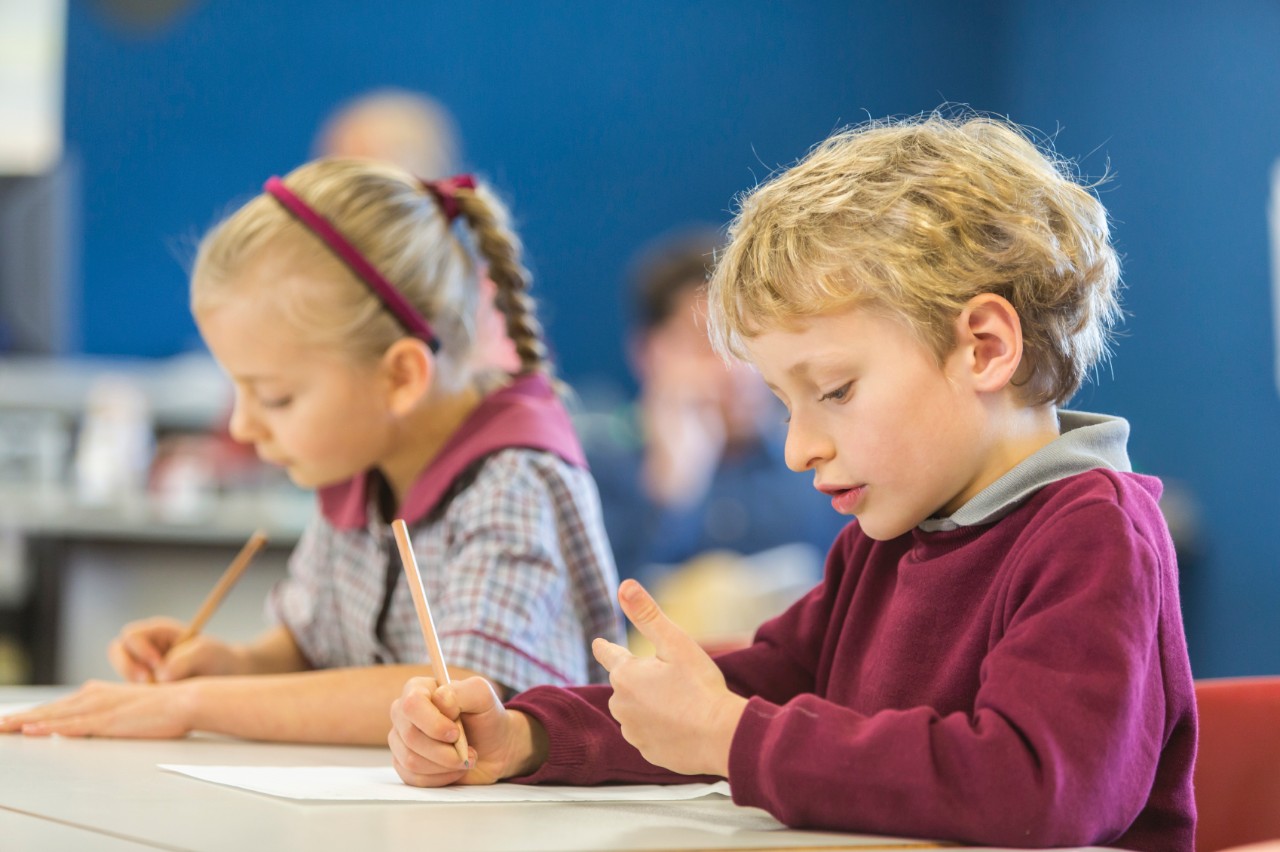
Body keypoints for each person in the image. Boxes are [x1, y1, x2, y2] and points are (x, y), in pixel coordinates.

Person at [383, 112, 1197, 851]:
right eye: (784, 404)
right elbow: (747, 691)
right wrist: (531, 735)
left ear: (983, 347)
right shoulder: (890, 540)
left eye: (836, 391)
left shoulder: (1093, 535)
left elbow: (1034, 791)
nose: (799, 448)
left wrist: (732, 739)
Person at [0, 159, 621, 744]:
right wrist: (236, 666)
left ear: (401, 377)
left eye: (275, 397)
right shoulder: (361, 462)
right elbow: (315, 648)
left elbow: (462, 692)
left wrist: (195, 706)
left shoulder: (513, 481)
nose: (242, 427)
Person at [587, 229, 847, 585]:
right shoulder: (598, 475)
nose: (738, 372)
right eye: (707, 346)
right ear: (647, 353)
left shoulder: (819, 462)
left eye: (746, 345)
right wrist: (672, 492)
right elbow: (602, 608)